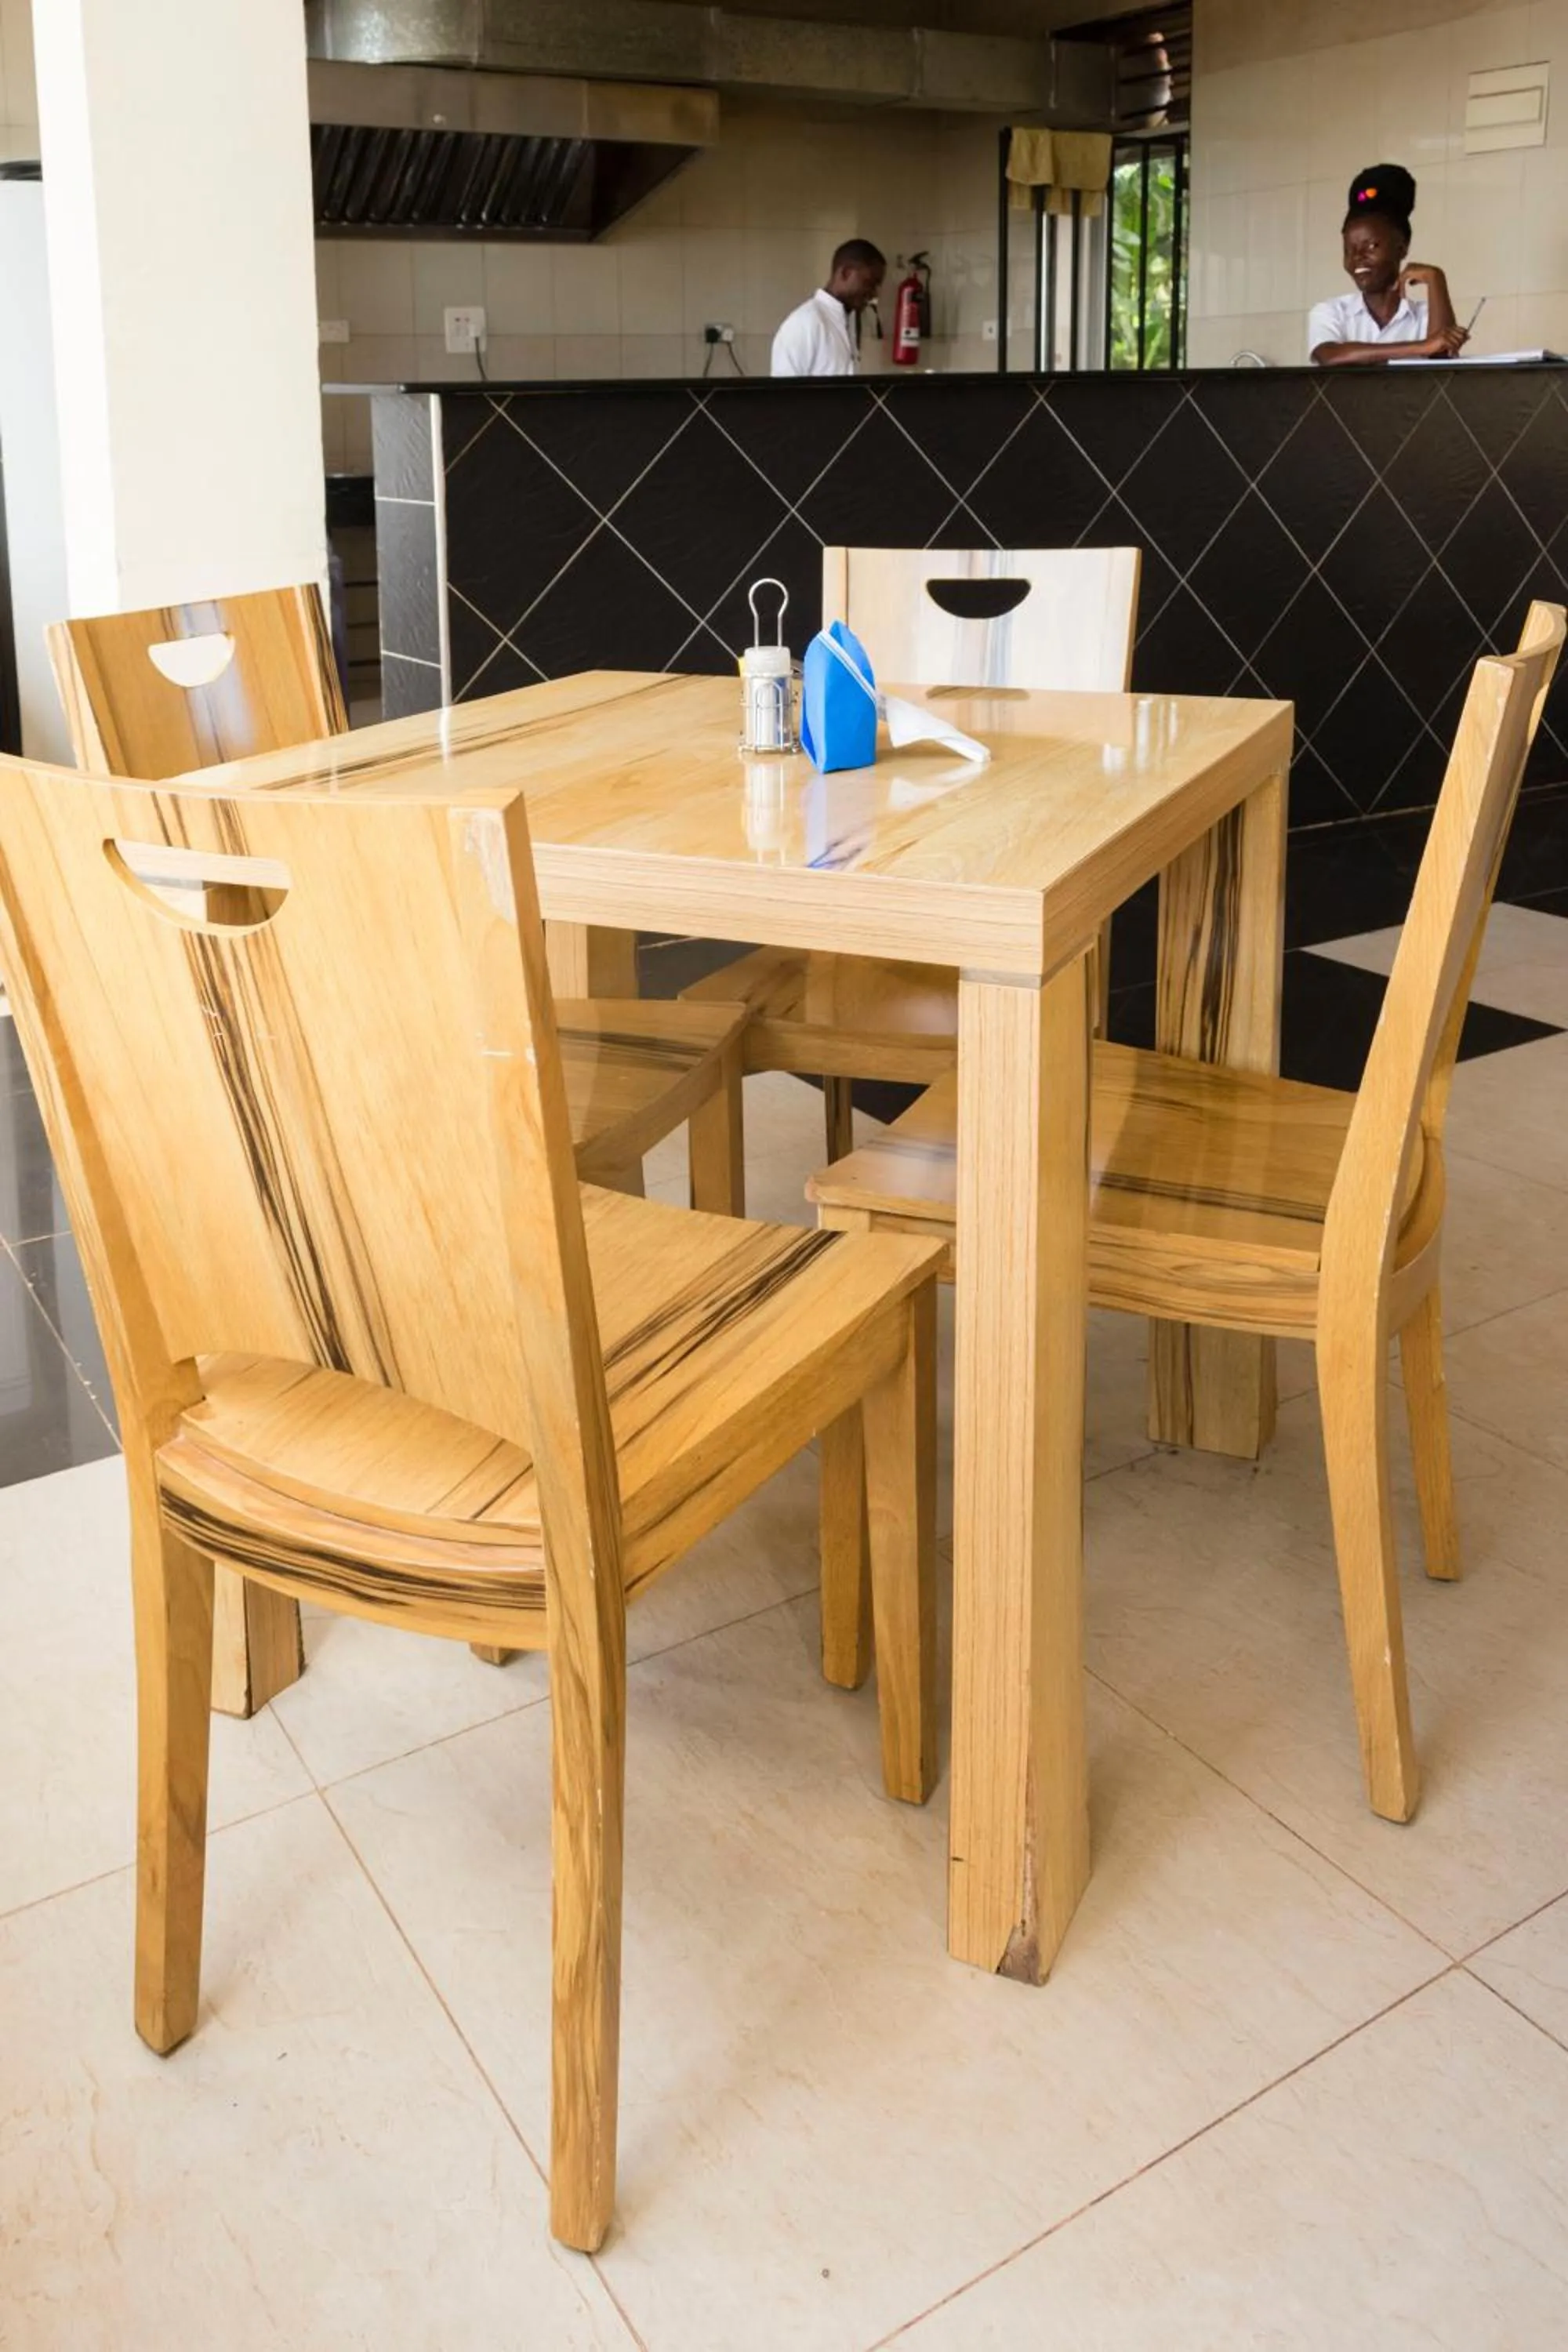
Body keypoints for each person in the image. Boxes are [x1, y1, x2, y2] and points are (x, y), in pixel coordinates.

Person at [1308, 165, 1468, 366]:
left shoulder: (1425, 316)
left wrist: (1436, 278)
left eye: (1371, 246)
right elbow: (1330, 356)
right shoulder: (1331, 311)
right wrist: (1422, 346)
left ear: (1401, 248)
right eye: (1349, 249)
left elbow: (1442, 361)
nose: (1358, 257)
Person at [771, 239, 886, 377]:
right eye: (870, 283)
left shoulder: (847, 320)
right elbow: (782, 395)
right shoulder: (805, 322)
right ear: (846, 273)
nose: (874, 293)